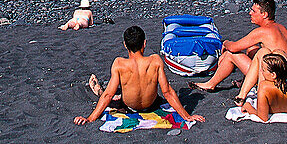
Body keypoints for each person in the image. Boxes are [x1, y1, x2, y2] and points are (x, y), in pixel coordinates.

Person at [74, 26, 204, 125]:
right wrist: (187, 116)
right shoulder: (155, 61)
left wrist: (90, 118)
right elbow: (167, 92)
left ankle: (98, 90)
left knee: (112, 94)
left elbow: (108, 95)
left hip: (129, 107)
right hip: (152, 105)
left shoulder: (119, 64)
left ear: (125, 45)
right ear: (144, 43)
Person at [188, 0, 287, 92]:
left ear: (264, 14)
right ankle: (246, 81)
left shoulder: (263, 31)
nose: (250, 13)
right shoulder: (281, 28)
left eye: (254, 11)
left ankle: (210, 84)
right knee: (252, 49)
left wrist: (225, 43)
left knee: (230, 55)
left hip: (277, 82)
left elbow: (234, 47)